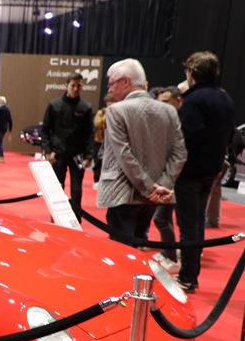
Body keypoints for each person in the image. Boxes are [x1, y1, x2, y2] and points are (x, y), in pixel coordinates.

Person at [97, 59, 186, 246]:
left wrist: (150, 188)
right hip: (153, 198)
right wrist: (162, 185)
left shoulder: (116, 111)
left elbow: (124, 155)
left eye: (111, 83)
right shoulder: (169, 111)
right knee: (138, 249)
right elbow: (180, 154)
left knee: (120, 251)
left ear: (125, 82)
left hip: (123, 195)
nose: (110, 89)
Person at [174, 51, 237, 293]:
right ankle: (192, 274)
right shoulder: (224, 97)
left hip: (191, 172)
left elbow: (188, 138)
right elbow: (231, 134)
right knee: (198, 222)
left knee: (189, 225)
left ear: (192, 72)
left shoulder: (194, 100)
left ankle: (188, 277)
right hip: (212, 170)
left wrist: (175, 167)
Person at [40, 72, 95, 221]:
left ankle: (76, 222)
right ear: (66, 86)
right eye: (73, 85)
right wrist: (48, 151)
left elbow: (90, 134)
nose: (76, 88)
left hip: (78, 155)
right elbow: (45, 130)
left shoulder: (86, 107)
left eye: (79, 85)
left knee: (76, 191)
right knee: (57, 189)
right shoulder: (54, 105)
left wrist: (89, 155)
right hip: (58, 154)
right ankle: (55, 219)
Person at [151, 86, 185, 272]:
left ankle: (172, 257)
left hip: (176, 180)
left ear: (178, 101)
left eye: (166, 102)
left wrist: (167, 180)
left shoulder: (180, 123)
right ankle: (167, 253)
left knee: (162, 218)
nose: (161, 106)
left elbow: (179, 155)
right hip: (168, 179)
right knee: (165, 218)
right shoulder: (169, 122)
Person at [93, 93, 115, 187]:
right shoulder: (101, 112)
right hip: (99, 140)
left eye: (111, 102)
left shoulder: (117, 112)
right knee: (97, 160)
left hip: (111, 141)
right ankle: (96, 179)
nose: (109, 104)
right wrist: (106, 114)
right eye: (108, 102)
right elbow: (97, 124)